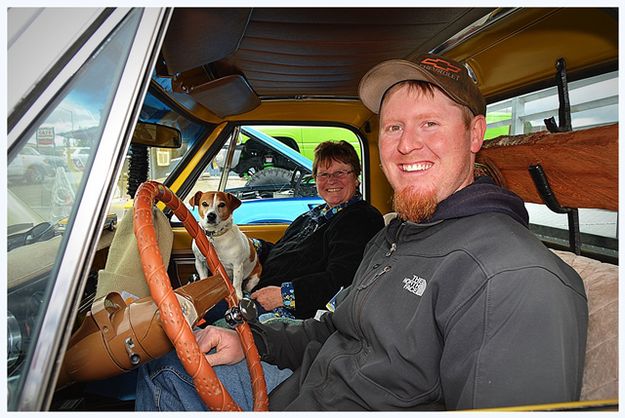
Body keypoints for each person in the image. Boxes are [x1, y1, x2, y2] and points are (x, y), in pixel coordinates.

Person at [136, 53, 588, 411]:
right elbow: (331, 329)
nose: (407, 144)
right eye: (394, 127)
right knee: (165, 365)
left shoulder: (512, 279)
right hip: (302, 388)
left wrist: (280, 298)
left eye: (429, 123)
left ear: (475, 134)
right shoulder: (396, 237)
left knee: (162, 374)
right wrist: (251, 339)